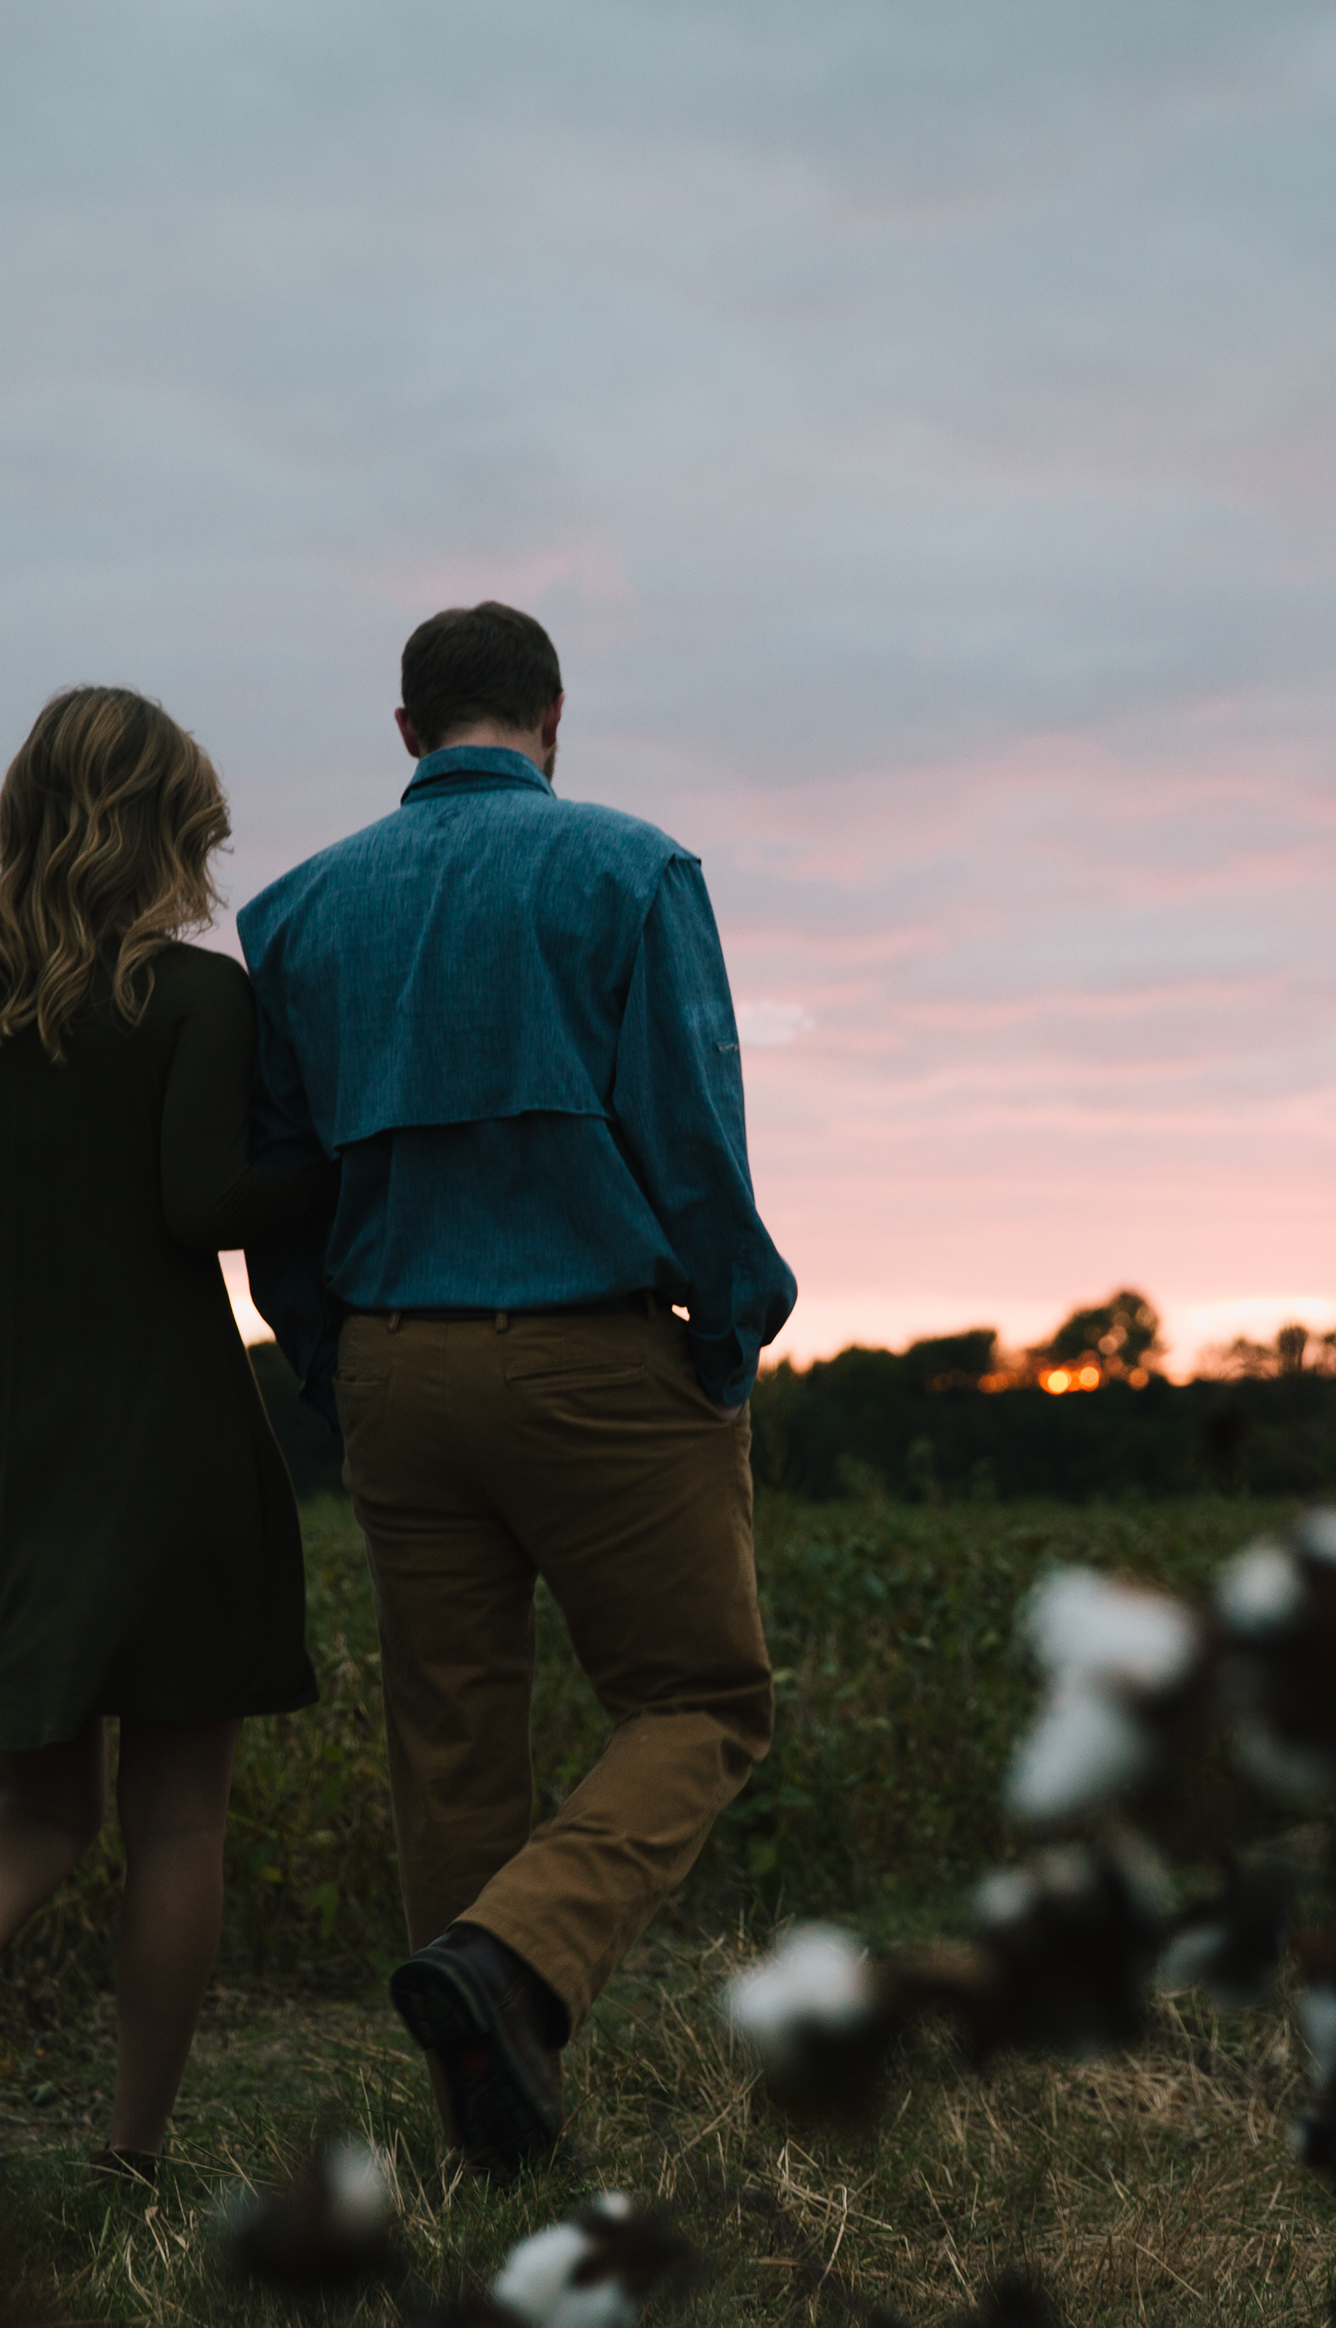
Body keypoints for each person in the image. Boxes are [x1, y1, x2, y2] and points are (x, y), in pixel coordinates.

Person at [239, 602, 793, 2174]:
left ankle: (486, 2127)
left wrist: (333, 1356)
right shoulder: (631, 871)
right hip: (594, 1350)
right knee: (699, 1698)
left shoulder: (294, 914)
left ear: (407, 732)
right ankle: (516, 1961)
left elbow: (284, 1183)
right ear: (554, 715)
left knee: (455, 1742)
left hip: (396, 1366)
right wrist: (730, 1326)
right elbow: (693, 1132)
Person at [0, 685, 331, 2196]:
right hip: (171, 1451)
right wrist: (336, 1164)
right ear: (165, 828)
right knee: (175, 1816)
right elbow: (205, 1206)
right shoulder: (195, 999)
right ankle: (133, 2156)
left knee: (36, 1804)